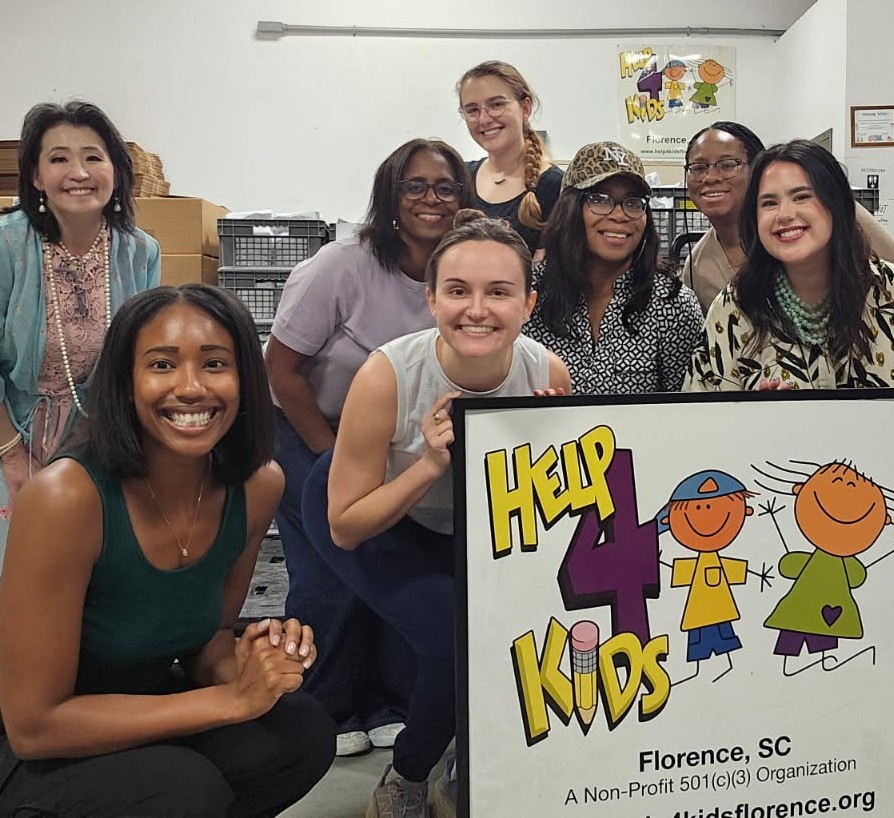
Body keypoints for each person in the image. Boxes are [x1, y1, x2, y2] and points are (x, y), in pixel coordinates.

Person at [0, 283, 334, 816]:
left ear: (246, 380)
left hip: (146, 706)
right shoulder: (66, 497)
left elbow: (208, 646)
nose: (191, 388)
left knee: (302, 730)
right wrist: (230, 701)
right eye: (161, 365)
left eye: (215, 364)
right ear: (126, 384)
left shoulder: (257, 485)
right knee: (181, 788)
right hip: (33, 750)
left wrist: (254, 666)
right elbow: (33, 726)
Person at [317, 211, 570, 818]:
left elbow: (560, 503)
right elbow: (345, 524)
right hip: (379, 520)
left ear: (529, 304)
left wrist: (553, 448)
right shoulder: (388, 375)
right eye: (457, 291)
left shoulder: (546, 375)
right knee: (456, 642)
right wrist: (429, 463)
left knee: (524, 636)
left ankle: (472, 755)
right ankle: (406, 775)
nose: (476, 309)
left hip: (474, 532)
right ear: (431, 300)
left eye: (499, 292)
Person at [265, 138, 473, 756]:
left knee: (389, 571)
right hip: (311, 425)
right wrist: (335, 457)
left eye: (446, 186)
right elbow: (281, 369)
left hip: (397, 443)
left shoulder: (457, 268)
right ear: (390, 195)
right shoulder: (342, 265)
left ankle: (386, 700)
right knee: (329, 574)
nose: (431, 199)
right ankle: (324, 707)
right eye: (415, 186)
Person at [0, 100, 160, 570]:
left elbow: (142, 356)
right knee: (19, 573)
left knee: (91, 572)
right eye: (58, 158)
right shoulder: (8, 246)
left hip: (102, 437)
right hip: (11, 434)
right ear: (35, 177)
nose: (78, 172)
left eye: (93, 157)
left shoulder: (139, 251)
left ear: (115, 170)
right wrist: (10, 453)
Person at [685, 139, 894, 392]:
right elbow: (705, 418)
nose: (785, 215)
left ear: (836, 204)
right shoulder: (735, 308)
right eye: (769, 203)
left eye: (802, 197)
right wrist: (755, 418)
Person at [681, 121, 894, 313]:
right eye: (699, 168)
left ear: (758, 170)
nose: (710, 177)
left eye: (727, 165)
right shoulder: (698, 266)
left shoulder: (827, 213)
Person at [525, 140, 703, 394]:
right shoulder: (529, 293)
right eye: (600, 199)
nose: (619, 215)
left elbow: (690, 409)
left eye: (633, 202)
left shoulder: (673, 303)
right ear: (570, 208)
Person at [457, 61, 563, 256]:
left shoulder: (556, 186)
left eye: (496, 104)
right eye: (472, 110)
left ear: (525, 108)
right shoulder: (459, 178)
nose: (484, 119)